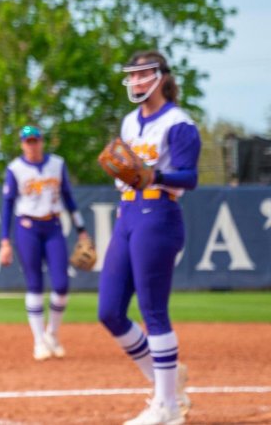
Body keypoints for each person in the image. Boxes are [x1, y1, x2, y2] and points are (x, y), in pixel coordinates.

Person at [98, 50, 197, 425]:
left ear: (160, 77)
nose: (136, 82)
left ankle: (167, 408)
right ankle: (166, 385)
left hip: (159, 214)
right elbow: (127, 174)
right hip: (128, 213)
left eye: (144, 75)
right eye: (132, 75)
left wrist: (153, 175)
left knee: (153, 311)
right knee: (109, 311)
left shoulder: (178, 122)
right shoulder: (128, 122)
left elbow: (189, 177)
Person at [0, 125, 90, 361]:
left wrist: (81, 230)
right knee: (35, 284)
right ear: (22, 144)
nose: (32, 145)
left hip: (53, 226)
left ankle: (52, 333)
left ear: (41, 142)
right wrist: (5, 241)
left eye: (35, 140)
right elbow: (8, 205)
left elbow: (69, 199)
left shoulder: (57, 164)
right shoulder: (15, 169)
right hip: (27, 228)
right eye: (27, 141)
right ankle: (39, 341)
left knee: (61, 284)